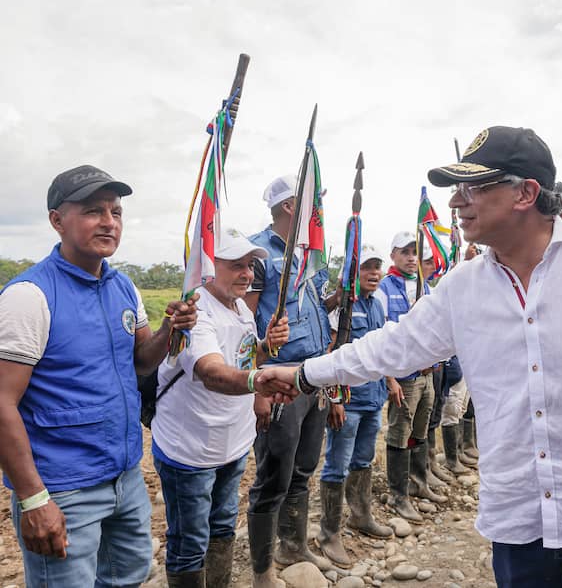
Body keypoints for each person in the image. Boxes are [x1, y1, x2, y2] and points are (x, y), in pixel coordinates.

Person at [257, 125, 562, 586]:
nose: (456, 202)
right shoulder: (464, 287)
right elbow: (391, 347)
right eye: (457, 189)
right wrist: (303, 375)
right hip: (518, 518)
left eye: (473, 188)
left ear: (526, 193)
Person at [0, 165, 198, 587]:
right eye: (93, 210)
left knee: (126, 578)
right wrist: (34, 500)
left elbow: (142, 361)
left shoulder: (123, 286)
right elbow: (2, 404)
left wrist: (169, 331)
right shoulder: (29, 297)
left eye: (116, 211)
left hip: (124, 476)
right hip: (64, 489)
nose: (109, 222)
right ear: (57, 220)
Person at [153, 229, 293, 587]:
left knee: (223, 525)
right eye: (236, 266)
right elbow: (211, 373)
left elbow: (243, 357)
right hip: (190, 449)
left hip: (231, 442)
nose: (247, 274)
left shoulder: (241, 308)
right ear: (209, 267)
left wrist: (265, 347)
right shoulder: (194, 311)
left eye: (250, 265)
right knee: (189, 540)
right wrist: (258, 382)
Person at [245, 176, 334, 584]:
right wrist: (256, 389)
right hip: (278, 380)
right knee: (273, 474)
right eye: (311, 203)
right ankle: (262, 568)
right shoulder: (258, 253)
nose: (317, 211)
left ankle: (293, 546)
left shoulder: (308, 254)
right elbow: (246, 323)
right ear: (288, 206)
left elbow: (315, 310)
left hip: (312, 375)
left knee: (303, 467)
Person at [317, 247, 394, 567]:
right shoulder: (341, 308)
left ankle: (361, 516)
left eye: (377, 268)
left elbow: (382, 349)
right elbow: (330, 353)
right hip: (348, 402)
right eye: (366, 268)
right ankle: (328, 534)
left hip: (373, 398)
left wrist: (391, 381)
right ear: (354, 273)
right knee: (337, 463)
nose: (374, 273)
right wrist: (334, 398)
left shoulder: (379, 304)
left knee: (363, 460)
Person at [373, 232, 443, 523]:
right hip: (403, 376)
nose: (412, 257)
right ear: (393, 255)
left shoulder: (425, 286)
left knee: (420, 430)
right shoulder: (385, 289)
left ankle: (419, 481)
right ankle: (398, 494)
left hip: (426, 373)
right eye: (405, 252)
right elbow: (381, 336)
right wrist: (389, 378)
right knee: (399, 433)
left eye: (415, 252)